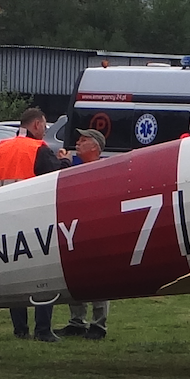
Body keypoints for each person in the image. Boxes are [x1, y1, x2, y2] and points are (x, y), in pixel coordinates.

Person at [0, 107, 69, 342]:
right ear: (35, 125)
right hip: (35, 221)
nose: (45, 130)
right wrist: (64, 161)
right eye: (44, 125)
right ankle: (42, 330)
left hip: (5, 221)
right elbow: (56, 179)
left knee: (15, 276)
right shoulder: (39, 149)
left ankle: (20, 329)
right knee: (43, 276)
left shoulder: (0, 148)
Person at [59, 128, 111, 340]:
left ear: (95, 147)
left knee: (99, 279)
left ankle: (99, 325)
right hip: (75, 229)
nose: (77, 143)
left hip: (98, 230)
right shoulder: (74, 168)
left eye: (83, 140)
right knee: (76, 276)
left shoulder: (105, 169)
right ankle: (77, 321)